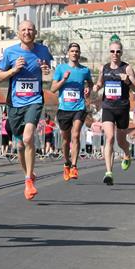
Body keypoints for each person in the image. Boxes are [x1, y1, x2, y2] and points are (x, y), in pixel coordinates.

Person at [0, 19, 53, 199]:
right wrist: (13, 70)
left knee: (28, 137)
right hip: (15, 103)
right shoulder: (10, 52)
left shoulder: (43, 51)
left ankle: (29, 180)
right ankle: (27, 174)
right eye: (24, 30)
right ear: (18, 33)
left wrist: (46, 71)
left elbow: (49, 72)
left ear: (35, 32)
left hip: (34, 100)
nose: (27, 32)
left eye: (30, 29)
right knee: (20, 145)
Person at [93, 40, 135, 185]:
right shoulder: (105, 68)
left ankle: (127, 153)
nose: (115, 54)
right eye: (112, 51)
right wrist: (96, 87)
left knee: (121, 141)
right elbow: (100, 82)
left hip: (122, 108)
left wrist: (128, 82)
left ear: (121, 53)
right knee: (109, 138)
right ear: (109, 53)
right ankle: (109, 172)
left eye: (118, 51)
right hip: (108, 107)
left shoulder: (127, 68)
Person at [51, 41, 93, 180]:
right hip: (64, 109)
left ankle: (74, 166)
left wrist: (88, 89)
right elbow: (53, 89)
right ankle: (66, 163)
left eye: (77, 51)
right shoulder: (60, 68)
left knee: (75, 135)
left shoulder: (85, 70)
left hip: (79, 107)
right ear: (68, 53)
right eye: (72, 51)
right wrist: (63, 80)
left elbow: (90, 83)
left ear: (79, 54)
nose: (75, 53)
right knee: (65, 139)